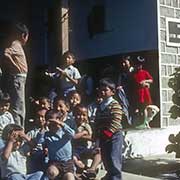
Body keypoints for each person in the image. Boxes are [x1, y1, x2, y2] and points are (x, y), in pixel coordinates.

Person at [0, 22, 29, 127]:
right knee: (19, 106)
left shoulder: (17, 45)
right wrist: (15, 65)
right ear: (23, 35)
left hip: (21, 78)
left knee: (21, 105)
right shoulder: (16, 44)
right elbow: (6, 53)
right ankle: (18, 130)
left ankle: (19, 128)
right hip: (18, 78)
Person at [94, 78, 123, 180]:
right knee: (105, 157)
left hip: (114, 136)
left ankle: (116, 177)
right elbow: (97, 121)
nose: (102, 92)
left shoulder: (114, 105)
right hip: (103, 136)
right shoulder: (100, 106)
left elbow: (116, 120)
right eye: (101, 90)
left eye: (105, 90)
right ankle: (110, 175)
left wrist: (109, 133)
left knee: (114, 157)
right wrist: (96, 134)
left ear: (112, 92)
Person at [42, 110, 75, 180]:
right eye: (50, 122)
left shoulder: (65, 132)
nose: (53, 124)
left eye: (54, 122)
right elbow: (39, 141)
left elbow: (72, 134)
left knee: (69, 177)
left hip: (67, 162)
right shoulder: (47, 135)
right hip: (54, 162)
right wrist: (43, 128)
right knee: (51, 172)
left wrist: (61, 124)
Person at [132, 56, 153, 125]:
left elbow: (151, 80)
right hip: (138, 93)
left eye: (140, 64)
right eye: (137, 64)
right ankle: (141, 122)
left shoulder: (145, 72)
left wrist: (145, 81)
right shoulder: (134, 74)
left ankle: (145, 122)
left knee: (144, 107)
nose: (139, 66)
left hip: (144, 92)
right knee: (139, 108)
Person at [26, 108, 48, 172]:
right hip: (35, 156)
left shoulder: (50, 131)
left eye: (42, 117)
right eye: (38, 117)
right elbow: (26, 146)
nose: (40, 119)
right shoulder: (31, 133)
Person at [73, 104, 93, 171]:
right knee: (73, 157)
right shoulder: (72, 125)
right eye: (78, 114)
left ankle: (92, 169)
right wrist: (83, 133)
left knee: (98, 152)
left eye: (84, 115)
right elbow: (72, 137)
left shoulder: (86, 126)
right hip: (74, 148)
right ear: (74, 115)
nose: (81, 117)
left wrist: (80, 136)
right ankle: (82, 166)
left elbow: (91, 137)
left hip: (84, 148)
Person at [116, 56, 134, 127]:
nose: (123, 64)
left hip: (132, 93)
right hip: (125, 94)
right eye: (122, 63)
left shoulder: (133, 71)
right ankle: (128, 122)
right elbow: (119, 84)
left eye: (125, 62)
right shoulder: (122, 74)